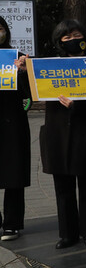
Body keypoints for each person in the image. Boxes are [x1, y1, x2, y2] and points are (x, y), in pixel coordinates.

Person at [41, 20, 86, 249]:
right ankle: (67, 234)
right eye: (66, 38)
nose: (72, 40)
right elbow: (33, 91)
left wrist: (77, 106)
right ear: (58, 41)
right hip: (57, 134)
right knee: (63, 187)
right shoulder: (48, 67)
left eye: (76, 35)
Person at [0, 16, 30, 241]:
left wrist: (22, 73)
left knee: (14, 174)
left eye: (0, 29)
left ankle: (12, 224)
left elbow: (29, 94)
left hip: (12, 123)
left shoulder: (18, 58)